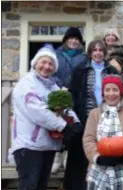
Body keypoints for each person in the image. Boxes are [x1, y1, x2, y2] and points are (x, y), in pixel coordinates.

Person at [9, 44, 82, 190]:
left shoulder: (52, 86)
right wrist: (63, 126)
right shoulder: (27, 83)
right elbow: (37, 110)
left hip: (47, 145)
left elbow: (66, 106)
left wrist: (75, 122)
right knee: (30, 186)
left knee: (41, 186)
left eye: (51, 64)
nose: (46, 66)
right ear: (35, 63)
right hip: (29, 146)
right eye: (43, 62)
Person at [64, 40, 118, 190]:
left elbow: (118, 93)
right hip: (84, 118)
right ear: (90, 52)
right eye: (94, 50)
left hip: (106, 119)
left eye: (101, 50)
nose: (98, 53)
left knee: (104, 156)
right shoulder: (80, 70)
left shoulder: (112, 70)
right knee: (79, 159)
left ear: (105, 52)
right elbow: (72, 94)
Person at [83, 75, 123, 190]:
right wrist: (97, 158)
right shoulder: (94, 114)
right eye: (107, 90)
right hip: (98, 172)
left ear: (121, 92)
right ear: (103, 93)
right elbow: (88, 139)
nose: (111, 94)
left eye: (115, 89)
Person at [51, 27, 87, 173]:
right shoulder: (56, 54)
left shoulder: (84, 57)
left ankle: (67, 156)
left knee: (72, 125)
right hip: (58, 93)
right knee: (57, 125)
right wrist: (59, 86)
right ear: (65, 40)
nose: (73, 41)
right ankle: (56, 157)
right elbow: (50, 72)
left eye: (76, 39)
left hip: (76, 96)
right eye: (71, 38)